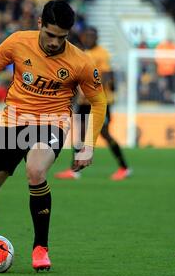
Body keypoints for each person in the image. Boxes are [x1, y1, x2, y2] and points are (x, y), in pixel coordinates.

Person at [0, 0, 107, 271]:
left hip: (52, 123)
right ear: (39, 24)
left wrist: (87, 145)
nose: (53, 43)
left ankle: (40, 248)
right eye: (49, 35)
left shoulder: (80, 61)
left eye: (61, 37)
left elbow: (99, 102)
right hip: (13, 124)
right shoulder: (16, 43)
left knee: (36, 171)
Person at [54, 26, 131, 181]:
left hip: (99, 101)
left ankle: (124, 167)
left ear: (96, 37)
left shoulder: (102, 53)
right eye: (87, 36)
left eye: (92, 36)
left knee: (104, 133)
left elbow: (107, 76)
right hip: (83, 101)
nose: (89, 38)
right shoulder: (81, 52)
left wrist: (90, 90)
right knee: (80, 133)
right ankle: (75, 169)